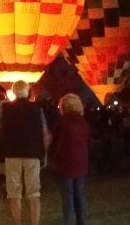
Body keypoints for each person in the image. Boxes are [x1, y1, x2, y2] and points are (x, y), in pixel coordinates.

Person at [0, 80, 50, 225]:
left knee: (14, 193)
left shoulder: (4, 109)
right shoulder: (37, 109)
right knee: (33, 193)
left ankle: (18, 223)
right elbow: (45, 133)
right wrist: (45, 152)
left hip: (12, 154)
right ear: (28, 91)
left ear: (14, 92)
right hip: (32, 153)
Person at [51, 93, 92, 225]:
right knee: (79, 193)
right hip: (80, 162)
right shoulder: (84, 122)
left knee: (68, 195)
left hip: (65, 163)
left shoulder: (62, 123)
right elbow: (89, 143)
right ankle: (82, 221)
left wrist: (52, 154)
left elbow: (55, 144)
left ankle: (68, 221)